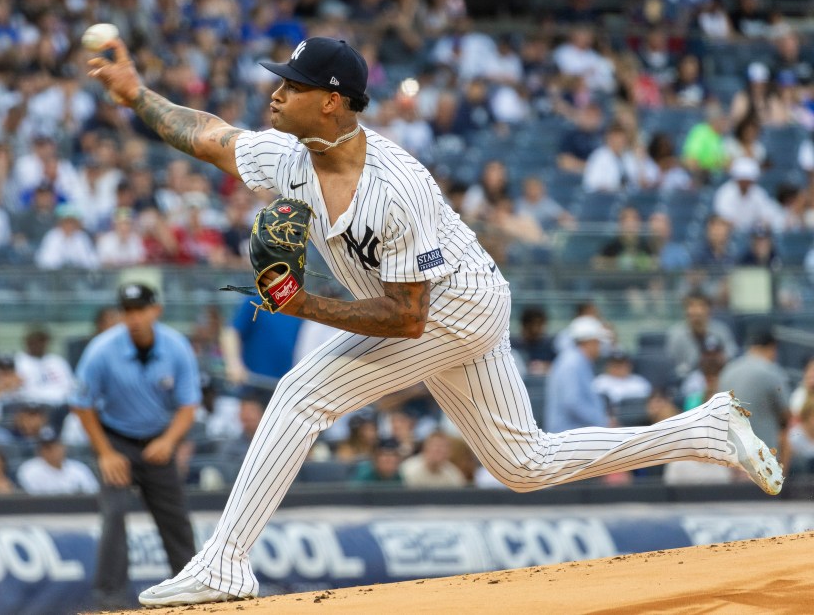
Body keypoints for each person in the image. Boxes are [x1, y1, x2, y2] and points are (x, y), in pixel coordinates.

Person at [88, 34, 783, 608]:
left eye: (291, 85)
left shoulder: (396, 187)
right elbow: (208, 135)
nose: (275, 91)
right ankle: (705, 430)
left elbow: (407, 317)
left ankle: (227, 562)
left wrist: (304, 307)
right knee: (523, 463)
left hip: (457, 304)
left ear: (332, 102)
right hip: (436, 308)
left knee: (302, 395)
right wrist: (135, 94)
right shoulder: (291, 157)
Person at [69, 283, 201, 609]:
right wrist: (106, 453)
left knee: (176, 520)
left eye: (140, 310)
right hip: (115, 438)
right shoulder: (102, 350)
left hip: (158, 439)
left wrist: (169, 441)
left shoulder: (176, 347)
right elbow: (81, 403)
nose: (134, 318)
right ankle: (109, 600)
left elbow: (188, 405)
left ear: (156, 310)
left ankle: (193, 593)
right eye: (128, 311)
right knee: (113, 514)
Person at [718, 328, 791, 463]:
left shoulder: (727, 372)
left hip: (731, 457)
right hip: (763, 459)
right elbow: (787, 416)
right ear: (772, 348)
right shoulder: (772, 372)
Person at [544, 316, 610, 432]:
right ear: (588, 342)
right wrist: (602, 422)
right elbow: (573, 402)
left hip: (574, 436)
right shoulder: (572, 363)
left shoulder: (576, 361)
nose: (600, 347)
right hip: (568, 438)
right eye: (598, 342)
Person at [665, 291, 738, 379]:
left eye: (701, 306)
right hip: (687, 378)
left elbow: (732, 352)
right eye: (691, 306)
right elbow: (671, 363)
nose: (697, 311)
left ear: (709, 309)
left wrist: (720, 359)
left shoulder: (721, 330)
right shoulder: (676, 334)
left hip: (718, 375)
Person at [16, 426, 99, 494]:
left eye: (56, 446)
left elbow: (93, 492)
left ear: (64, 447)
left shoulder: (79, 468)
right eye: (47, 448)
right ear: (39, 451)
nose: (53, 451)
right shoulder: (29, 469)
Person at [399, 431, 465, 488]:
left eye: (443, 448)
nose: (439, 450)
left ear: (448, 453)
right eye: (436, 447)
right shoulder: (408, 469)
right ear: (425, 449)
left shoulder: (453, 474)